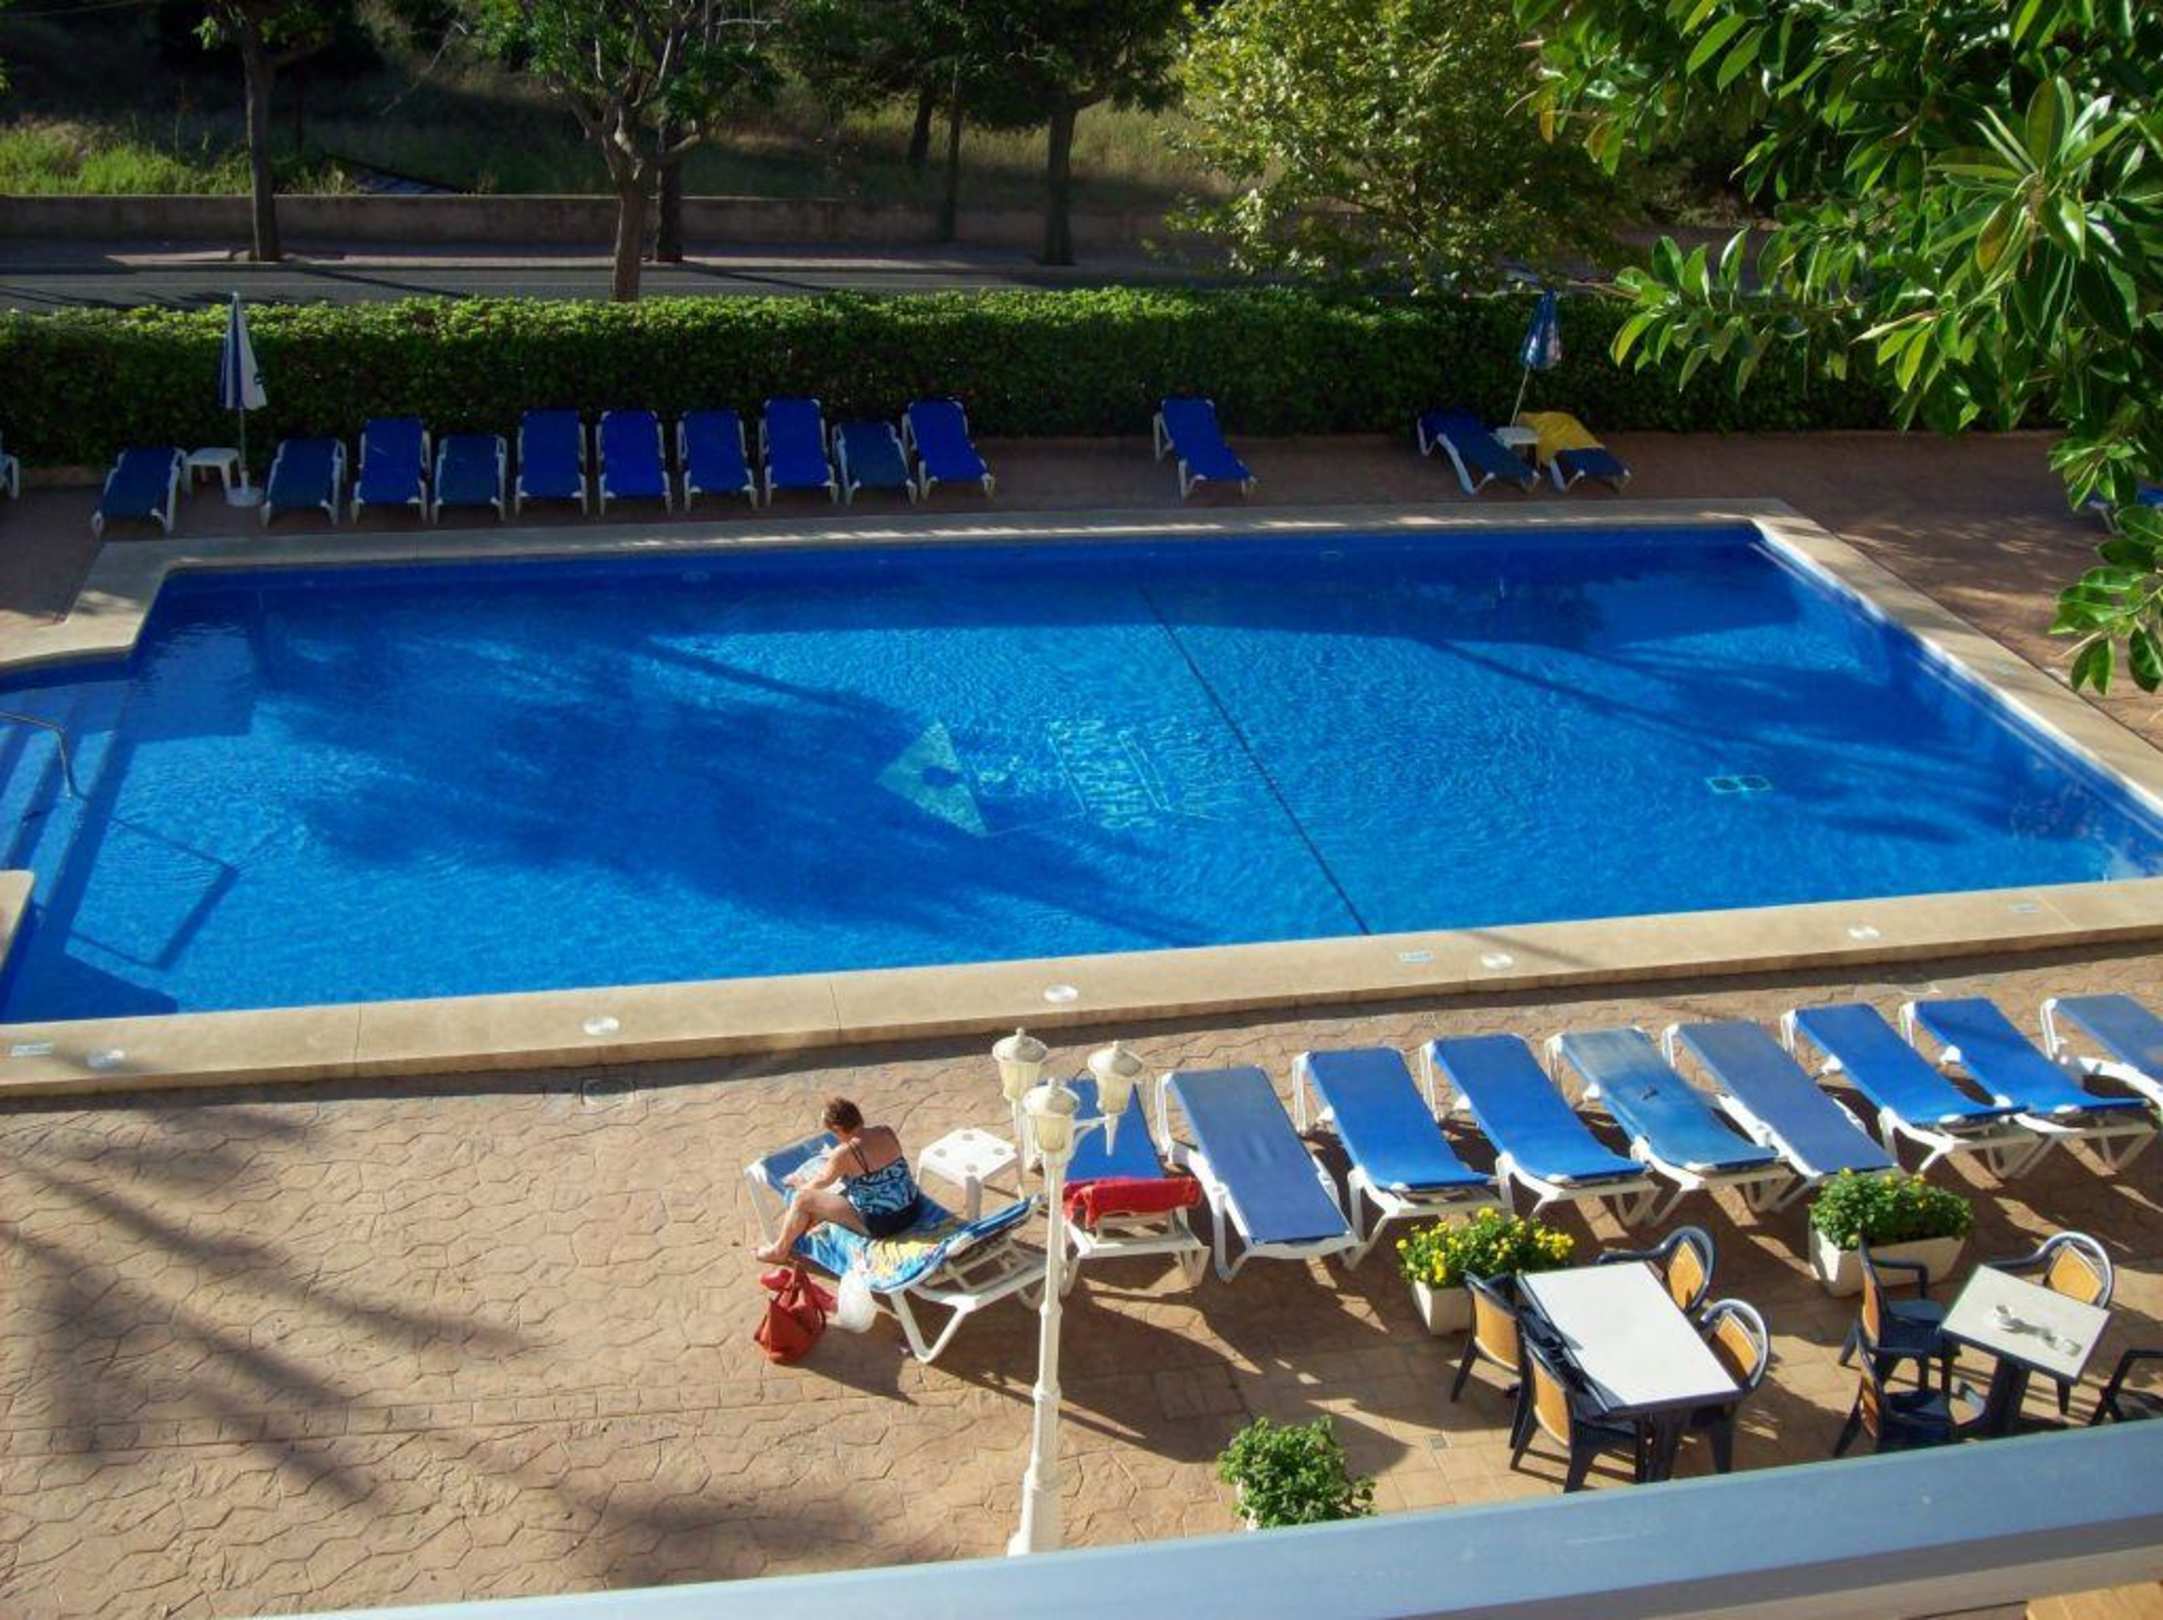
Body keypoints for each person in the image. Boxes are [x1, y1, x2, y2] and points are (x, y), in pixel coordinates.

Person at [755, 1097, 923, 1264]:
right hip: (912, 1209)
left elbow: (821, 1182)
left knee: (802, 1199)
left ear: (837, 1129)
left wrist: (799, 1185)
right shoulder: (885, 1131)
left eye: (832, 1132)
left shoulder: (846, 1152)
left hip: (884, 1225)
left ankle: (779, 1251)